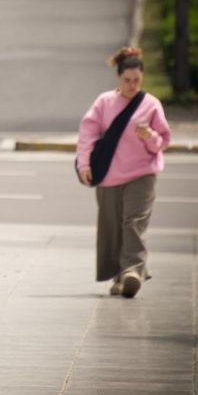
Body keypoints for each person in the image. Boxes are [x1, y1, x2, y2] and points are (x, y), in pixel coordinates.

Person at [76, 47, 170, 298]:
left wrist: (149, 136)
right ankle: (120, 276)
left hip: (142, 174)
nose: (132, 85)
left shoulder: (150, 105)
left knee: (133, 223)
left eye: (136, 80)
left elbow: (162, 141)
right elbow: (88, 134)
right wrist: (84, 165)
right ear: (118, 78)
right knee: (113, 227)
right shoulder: (105, 102)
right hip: (109, 176)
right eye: (127, 80)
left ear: (142, 78)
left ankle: (132, 272)